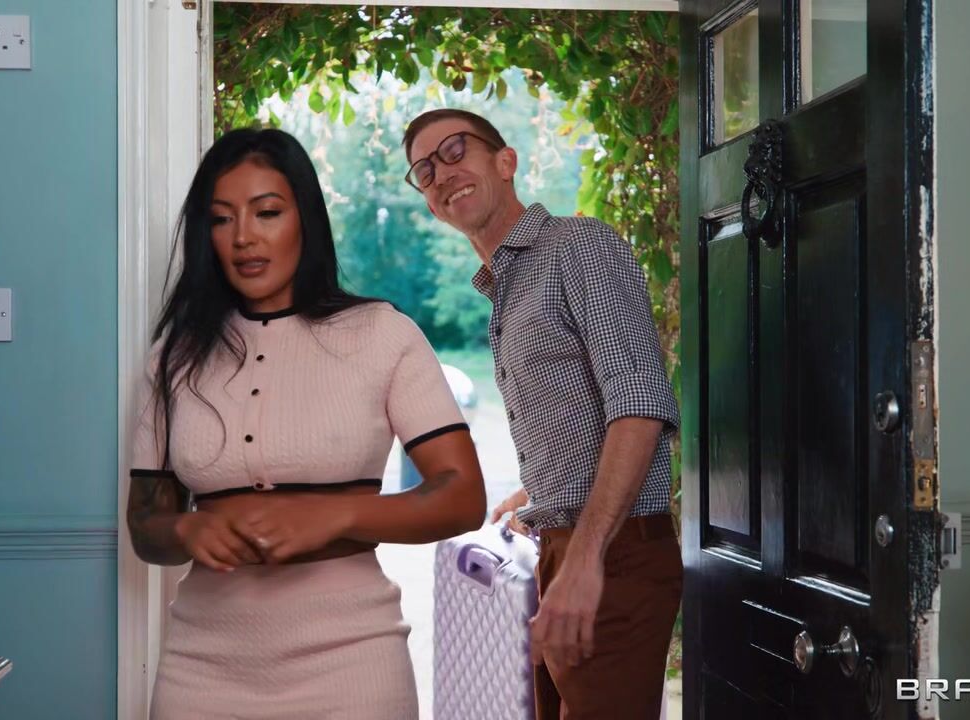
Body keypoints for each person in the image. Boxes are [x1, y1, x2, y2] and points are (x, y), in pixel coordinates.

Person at [125, 127, 486, 720]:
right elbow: (144, 526)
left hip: (353, 668)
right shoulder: (173, 359)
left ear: (306, 221)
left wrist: (336, 514)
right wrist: (187, 529)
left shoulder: (382, 335)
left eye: (267, 212)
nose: (244, 237)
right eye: (221, 219)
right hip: (200, 672)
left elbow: (462, 496)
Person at [403, 109, 683, 720]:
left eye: (455, 151)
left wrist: (585, 558)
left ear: (506, 161)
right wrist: (543, 492)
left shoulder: (578, 247)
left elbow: (639, 406)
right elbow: (587, 410)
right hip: (561, 548)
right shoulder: (506, 286)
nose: (441, 173)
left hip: (611, 555)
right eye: (424, 170)